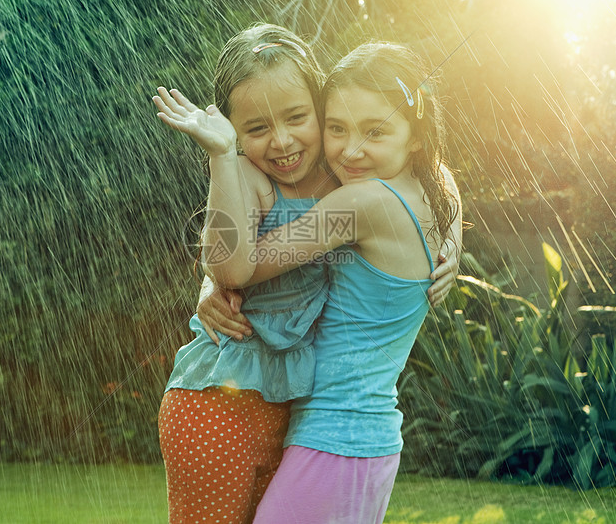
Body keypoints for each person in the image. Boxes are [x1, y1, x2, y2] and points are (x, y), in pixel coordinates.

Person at [154, 28, 460, 523]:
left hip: (328, 429)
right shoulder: (338, 180)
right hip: (269, 413)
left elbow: (240, 264)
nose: (352, 148)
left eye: (299, 117)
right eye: (338, 128)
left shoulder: (354, 196)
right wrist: (213, 282)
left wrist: (453, 243)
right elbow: (435, 168)